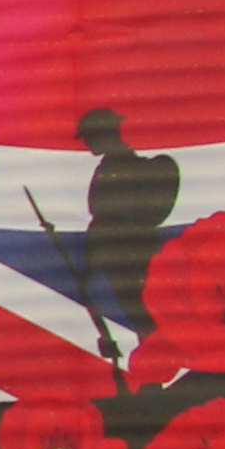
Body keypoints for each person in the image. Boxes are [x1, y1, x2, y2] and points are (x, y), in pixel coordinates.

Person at [75, 106, 178, 345]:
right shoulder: (113, 166)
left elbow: (104, 220)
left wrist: (90, 264)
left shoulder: (120, 169)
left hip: (127, 257)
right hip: (121, 256)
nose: (87, 144)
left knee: (144, 318)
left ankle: (154, 368)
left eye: (89, 137)